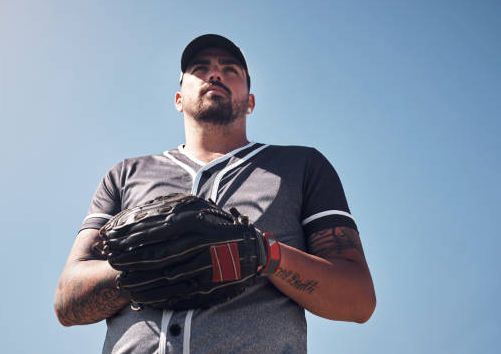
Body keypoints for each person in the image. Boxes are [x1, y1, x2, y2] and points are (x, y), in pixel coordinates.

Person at [54, 34, 376, 353]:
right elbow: (66, 302)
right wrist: (145, 266)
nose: (215, 73)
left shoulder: (302, 167)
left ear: (250, 102)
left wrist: (266, 254)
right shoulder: (124, 175)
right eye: (200, 67)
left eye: (230, 69)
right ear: (178, 99)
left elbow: (358, 300)